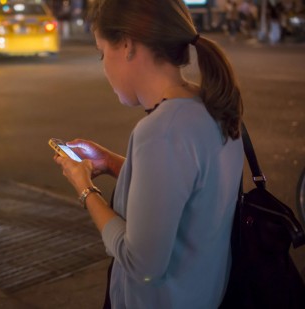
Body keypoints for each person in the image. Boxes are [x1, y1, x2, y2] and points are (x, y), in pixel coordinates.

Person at [52, 0, 244, 308]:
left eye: (102, 52)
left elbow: (141, 264)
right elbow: (189, 190)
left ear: (127, 44)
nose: (103, 65)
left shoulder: (161, 131)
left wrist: (85, 188)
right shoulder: (212, 105)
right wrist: (114, 164)